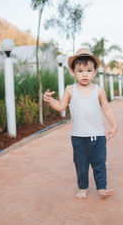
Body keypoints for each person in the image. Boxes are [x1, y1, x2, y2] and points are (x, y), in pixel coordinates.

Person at [43, 47, 118, 200]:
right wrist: (51, 101)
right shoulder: (70, 90)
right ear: (73, 72)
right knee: (81, 165)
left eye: (89, 70)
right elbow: (61, 106)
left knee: (99, 164)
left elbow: (107, 108)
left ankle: (102, 188)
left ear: (95, 71)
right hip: (78, 137)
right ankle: (83, 188)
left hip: (98, 137)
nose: (85, 74)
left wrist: (114, 126)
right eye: (80, 71)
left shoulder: (99, 90)